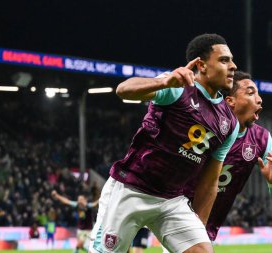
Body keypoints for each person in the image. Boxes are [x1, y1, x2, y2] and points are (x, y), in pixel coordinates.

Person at [89, 33, 239, 253]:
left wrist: (199, 228)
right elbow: (124, 90)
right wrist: (164, 81)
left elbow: (209, 183)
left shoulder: (230, 123)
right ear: (202, 65)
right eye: (224, 60)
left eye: (232, 60)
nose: (233, 66)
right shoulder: (178, 87)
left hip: (171, 201)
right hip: (131, 189)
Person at [162, 71, 272, 252]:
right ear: (230, 101)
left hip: (208, 226)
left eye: (258, 94)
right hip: (179, 214)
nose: (260, 99)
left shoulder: (262, 139)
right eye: (251, 93)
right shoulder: (206, 125)